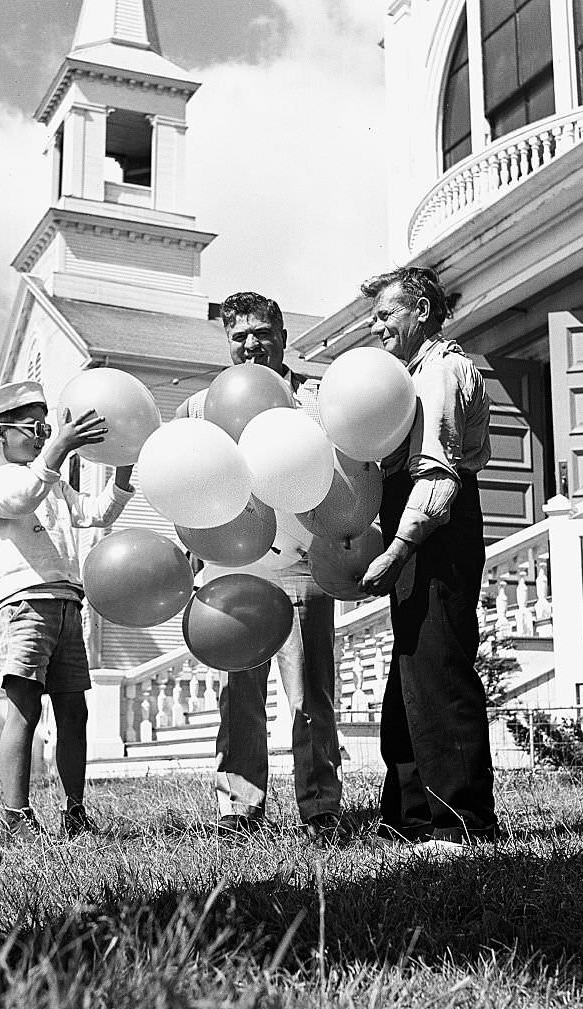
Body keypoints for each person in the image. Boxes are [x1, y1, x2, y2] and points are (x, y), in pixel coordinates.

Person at [175, 292, 343, 843]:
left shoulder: (314, 401)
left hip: (303, 566)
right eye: (239, 336)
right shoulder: (201, 407)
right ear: (228, 342)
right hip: (232, 572)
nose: (250, 346)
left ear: (282, 337)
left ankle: (320, 807)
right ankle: (238, 809)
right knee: (238, 702)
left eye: (261, 335)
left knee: (312, 699)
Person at [357, 266, 500, 846]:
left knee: (439, 674)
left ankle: (461, 824)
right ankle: (411, 820)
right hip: (412, 532)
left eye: (385, 314)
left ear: (420, 311)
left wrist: (397, 549)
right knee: (411, 675)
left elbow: (439, 478)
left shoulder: (440, 370)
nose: (374, 326)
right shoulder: (404, 376)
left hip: (434, 534)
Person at [0, 380, 134, 842]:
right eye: (35, 427)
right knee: (24, 708)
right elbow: (23, 497)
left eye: (48, 426)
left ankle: (74, 808)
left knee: (73, 711)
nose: (45, 435)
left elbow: (96, 514)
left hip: (65, 601)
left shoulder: (52, 480)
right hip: (22, 603)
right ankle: (15, 815)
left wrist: (123, 473)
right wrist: (58, 450)